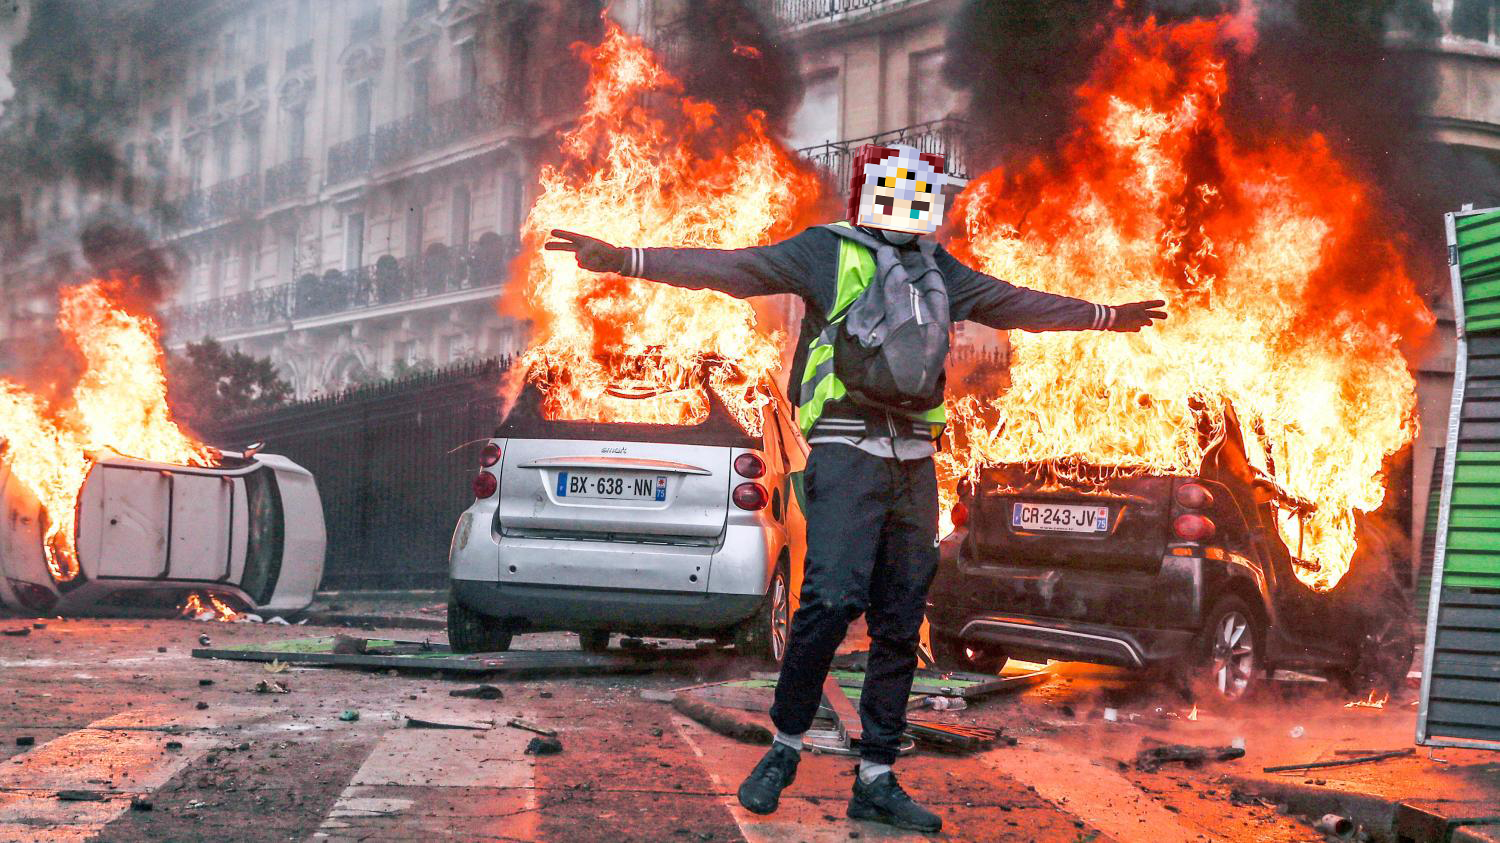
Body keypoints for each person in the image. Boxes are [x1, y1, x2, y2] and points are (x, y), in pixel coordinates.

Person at [546, 143, 1166, 833]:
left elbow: (1015, 302)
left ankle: (876, 776)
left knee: (903, 615)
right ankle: (783, 745)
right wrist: (625, 259)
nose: (909, 211)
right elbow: (731, 269)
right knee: (833, 596)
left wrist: (1105, 315)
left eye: (919, 198)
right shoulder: (824, 252)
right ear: (867, 197)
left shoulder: (939, 269)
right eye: (895, 195)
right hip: (845, 449)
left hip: (913, 462)